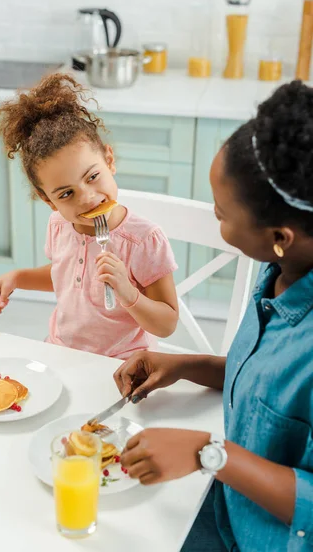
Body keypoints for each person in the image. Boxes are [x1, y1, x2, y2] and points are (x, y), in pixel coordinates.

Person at [114, 80, 313, 550]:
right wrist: (183, 366)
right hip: (219, 499)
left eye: (222, 213)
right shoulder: (279, 272)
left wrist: (209, 453)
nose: (214, 218)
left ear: (279, 234)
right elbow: (269, 393)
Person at [0, 73, 178, 359]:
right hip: (62, 351)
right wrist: (18, 277)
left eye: (92, 176)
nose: (87, 198)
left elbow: (167, 324)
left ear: (109, 161)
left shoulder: (143, 240)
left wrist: (128, 292)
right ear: (48, 201)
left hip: (123, 363)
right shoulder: (59, 225)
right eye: (65, 194)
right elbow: (65, 277)